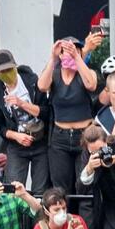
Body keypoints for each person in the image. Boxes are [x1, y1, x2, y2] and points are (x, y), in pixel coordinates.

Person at [38, 36, 101, 195]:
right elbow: (42, 86)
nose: (70, 54)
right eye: (65, 51)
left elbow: (91, 84)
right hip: (60, 137)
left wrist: (78, 58)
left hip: (84, 135)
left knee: (85, 183)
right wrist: (53, 58)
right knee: (61, 186)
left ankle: (86, 219)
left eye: (75, 50)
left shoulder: (86, 72)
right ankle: (65, 218)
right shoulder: (55, 73)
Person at [0, 48, 50, 193]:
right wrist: (16, 136)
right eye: (2, 72)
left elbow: (46, 112)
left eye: (9, 69)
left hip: (40, 141)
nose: (6, 74)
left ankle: (39, 215)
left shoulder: (31, 80)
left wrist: (21, 103)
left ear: (15, 66)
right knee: (12, 188)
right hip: (17, 145)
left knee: (40, 190)